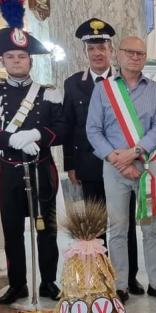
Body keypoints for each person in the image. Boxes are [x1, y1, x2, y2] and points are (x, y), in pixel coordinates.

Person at [0, 17, 65, 304]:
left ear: (30, 61)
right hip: (8, 170)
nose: (16, 61)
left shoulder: (49, 93)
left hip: (40, 170)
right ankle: (17, 284)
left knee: (46, 230)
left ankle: (48, 282)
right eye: (10, 56)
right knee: (12, 231)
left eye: (21, 56)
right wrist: (9, 139)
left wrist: (37, 134)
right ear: (2, 60)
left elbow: (63, 128)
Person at [86, 36, 156, 303]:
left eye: (140, 54)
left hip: (148, 166)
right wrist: (117, 159)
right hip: (114, 169)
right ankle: (120, 285)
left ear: (145, 58)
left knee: (150, 229)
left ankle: (155, 282)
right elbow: (93, 130)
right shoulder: (103, 89)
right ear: (119, 54)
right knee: (118, 228)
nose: (135, 57)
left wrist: (134, 153)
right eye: (130, 52)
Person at [63, 18, 144, 297]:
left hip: (125, 166)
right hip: (90, 165)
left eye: (102, 47)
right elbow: (70, 126)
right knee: (97, 225)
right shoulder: (74, 84)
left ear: (112, 51)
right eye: (92, 48)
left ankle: (127, 277)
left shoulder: (126, 82)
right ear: (85, 52)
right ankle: (100, 276)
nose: (97, 53)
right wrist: (70, 165)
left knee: (125, 225)